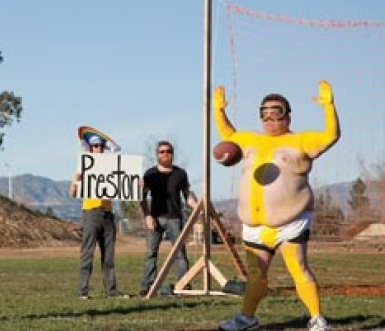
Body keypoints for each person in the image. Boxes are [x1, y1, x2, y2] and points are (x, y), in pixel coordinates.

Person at [213, 80, 339, 331]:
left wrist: (328, 107)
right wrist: (218, 110)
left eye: (276, 112)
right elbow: (228, 136)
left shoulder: (302, 141)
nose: (270, 118)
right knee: (256, 276)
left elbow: (330, 136)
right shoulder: (248, 139)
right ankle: (247, 318)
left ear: (288, 116)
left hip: (289, 222)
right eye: (264, 112)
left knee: (298, 268)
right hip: (253, 225)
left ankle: (316, 319)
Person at [69, 134, 127, 299]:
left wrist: (135, 183)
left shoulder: (110, 167)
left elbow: (123, 184)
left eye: (101, 146)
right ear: (90, 148)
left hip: (108, 213)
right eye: (95, 146)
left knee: (109, 255)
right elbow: (72, 193)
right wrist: (75, 182)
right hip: (91, 212)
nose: (99, 149)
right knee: (87, 252)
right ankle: (83, 291)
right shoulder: (83, 166)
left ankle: (112, 290)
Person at [138, 141, 197, 297]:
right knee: (151, 253)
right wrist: (147, 216)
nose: (165, 154)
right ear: (157, 155)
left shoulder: (181, 174)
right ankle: (148, 286)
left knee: (180, 254)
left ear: (172, 153)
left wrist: (197, 206)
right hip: (155, 218)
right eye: (162, 151)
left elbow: (187, 195)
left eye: (168, 151)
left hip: (175, 218)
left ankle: (183, 285)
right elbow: (141, 198)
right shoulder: (149, 174)